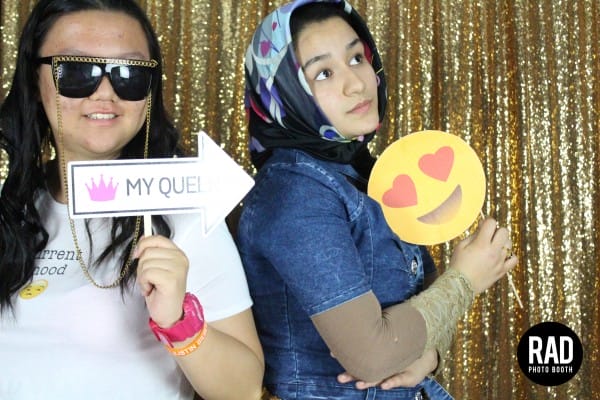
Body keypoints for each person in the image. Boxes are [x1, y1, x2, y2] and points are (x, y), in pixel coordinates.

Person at [238, 0, 518, 399]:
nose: (356, 83)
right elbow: (371, 356)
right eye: (323, 73)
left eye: (356, 58)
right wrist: (465, 281)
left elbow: (420, 314)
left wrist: (428, 357)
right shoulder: (295, 193)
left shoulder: (360, 172)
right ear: (284, 92)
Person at [0, 1, 264, 399]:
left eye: (130, 74)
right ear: (35, 82)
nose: (105, 93)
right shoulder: (11, 207)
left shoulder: (184, 212)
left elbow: (244, 390)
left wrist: (178, 321)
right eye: (76, 71)